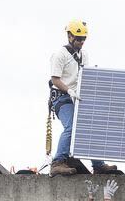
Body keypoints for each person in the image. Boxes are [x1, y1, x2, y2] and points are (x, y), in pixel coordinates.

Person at [49, 20, 117, 176]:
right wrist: (69, 90)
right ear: (69, 36)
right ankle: (58, 162)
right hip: (62, 98)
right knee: (72, 126)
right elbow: (55, 79)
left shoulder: (83, 55)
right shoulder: (60, 55)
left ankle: (98, 165)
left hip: (77, 96)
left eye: (83, 39)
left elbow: (84, 76)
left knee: (89, 126)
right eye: (78, 38)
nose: (81, 41)